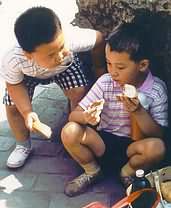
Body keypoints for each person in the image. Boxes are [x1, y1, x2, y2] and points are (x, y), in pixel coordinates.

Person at [61, 22, 168, 197]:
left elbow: (158, 134)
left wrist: (139, 111)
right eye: (108, 63)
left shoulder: (156, 89)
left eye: (120, 67)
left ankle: (127, 174)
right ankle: (92, 171)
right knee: (70, 131)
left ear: (142, 65)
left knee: (157, 148)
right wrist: (86, 118)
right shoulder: (105, 82)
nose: (113, 72)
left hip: (133, 149)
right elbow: (73, 115)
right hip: (102, 143)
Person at [0, 6, 105, 169]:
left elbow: (99, 39)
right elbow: (14, 85)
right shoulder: (13, 59)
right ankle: (23, 145)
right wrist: (27, 112)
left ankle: (75, 134)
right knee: (12, 106)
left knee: (79, 92)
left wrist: (99, 71)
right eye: (51, 54)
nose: (59, 55)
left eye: (61, 47)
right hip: (28, 75)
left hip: (65, 69)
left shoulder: (73, 39)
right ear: (28, 54)